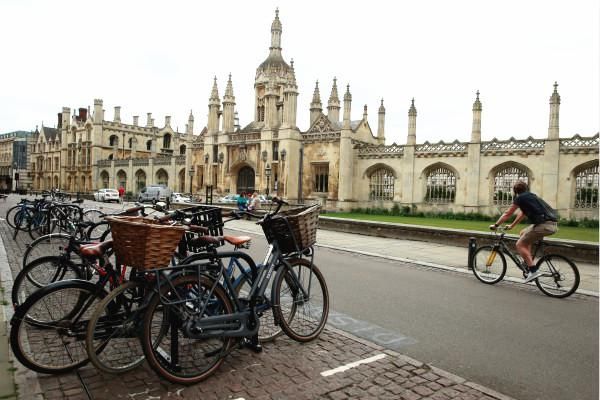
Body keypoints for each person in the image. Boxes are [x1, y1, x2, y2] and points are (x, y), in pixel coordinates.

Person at [490, 180, 558, 283]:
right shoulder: (531, 196)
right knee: (523, 233)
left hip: (544, 226)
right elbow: (522, 213)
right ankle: (528, 261)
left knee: (519, 245)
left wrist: (496, 225)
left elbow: (508, 213)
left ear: (515, 191)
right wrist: (512, 225)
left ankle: (533, 270)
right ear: (526, 188)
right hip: (550, 224)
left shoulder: (520, 198)